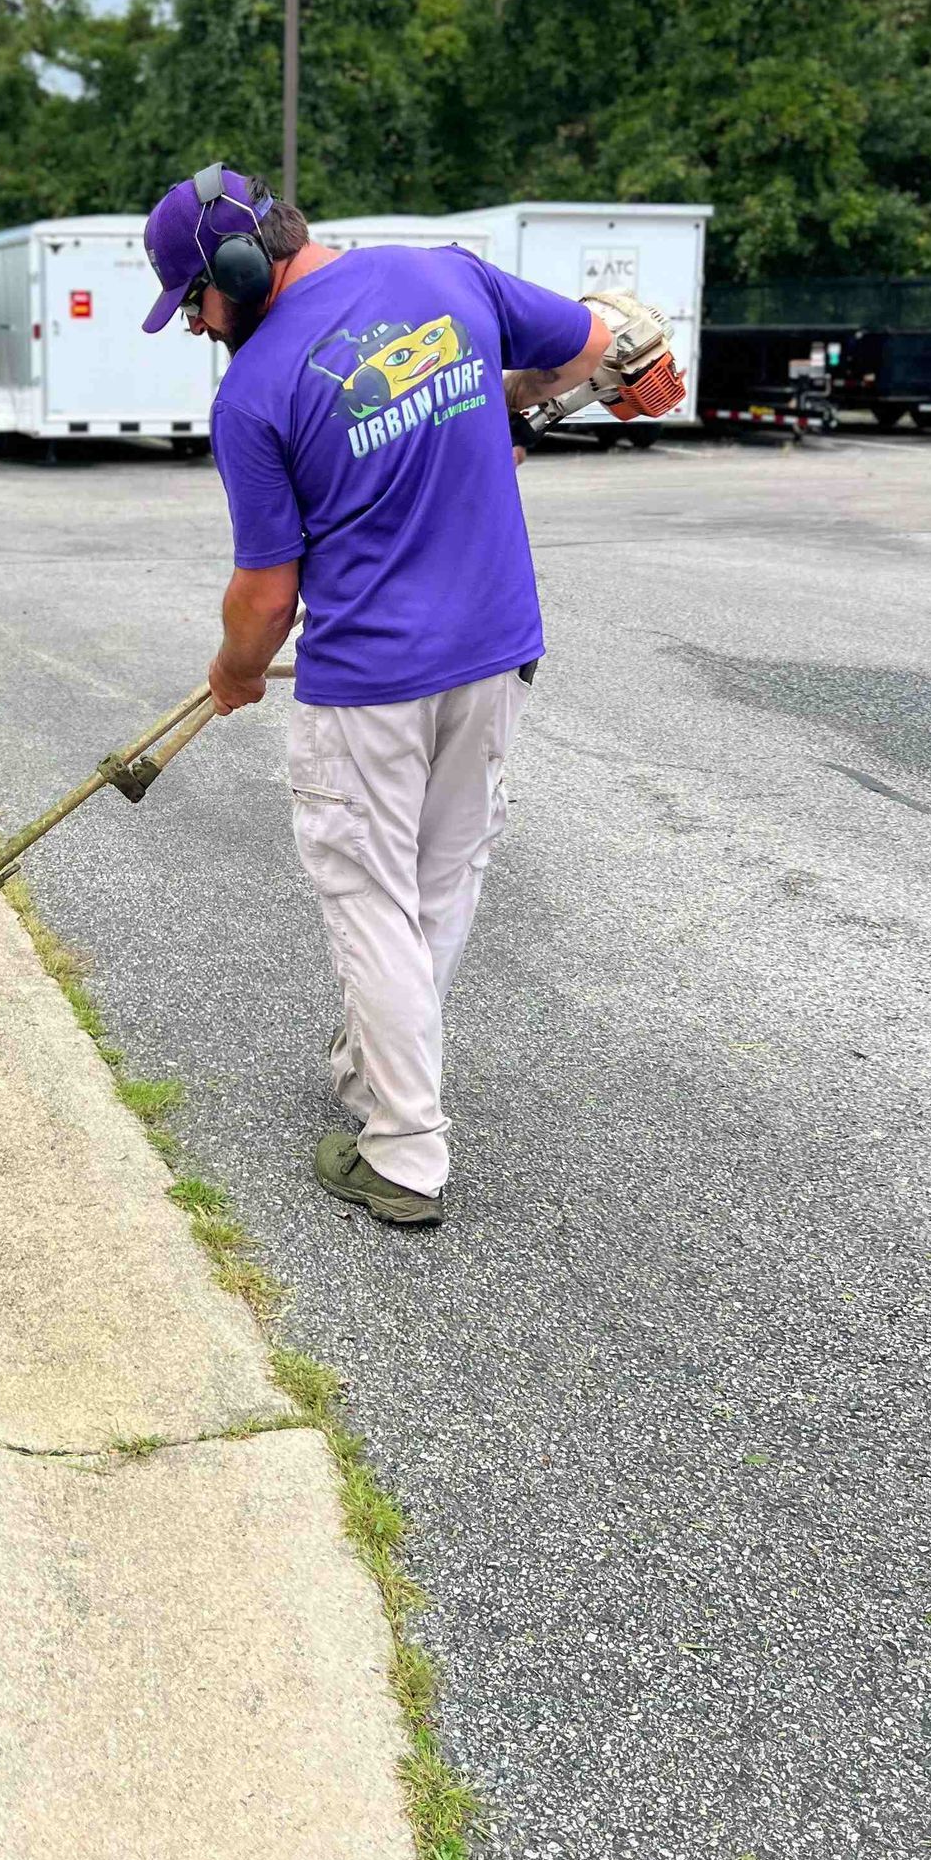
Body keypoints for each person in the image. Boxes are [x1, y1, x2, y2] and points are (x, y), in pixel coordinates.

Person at [140, 164, 612, 1229]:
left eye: (195, 303)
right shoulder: (448, 276)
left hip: (370, 689)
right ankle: (373, 1073)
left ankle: (402, 1151)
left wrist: (234, 671)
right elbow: (588, 344)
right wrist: (488, 397)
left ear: (239, 269)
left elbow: (267, 594)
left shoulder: (255, 392)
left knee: (371, 903)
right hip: (495, 660)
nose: (199, 327)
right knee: (439, 886)